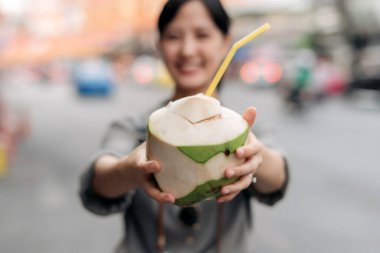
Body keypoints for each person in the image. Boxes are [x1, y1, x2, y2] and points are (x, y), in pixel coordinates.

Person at [79, 1, 289, 252]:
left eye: (202, 35)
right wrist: (128, 170)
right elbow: (98, 182)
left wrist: (257, 157)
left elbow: (277, 179)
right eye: (173, 37)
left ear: (225, 43)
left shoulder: (245, 128)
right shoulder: (136, 128)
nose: (188, 50)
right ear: (159, 45)